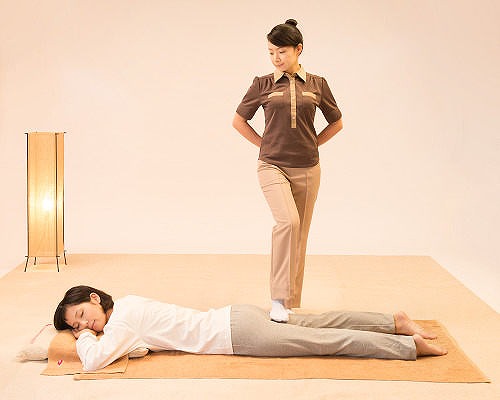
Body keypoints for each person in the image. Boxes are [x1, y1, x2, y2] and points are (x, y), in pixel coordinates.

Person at [54, 285, 447, 372]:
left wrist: (84, 337)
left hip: (240, 336)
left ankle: (409, 346)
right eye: (78, 324)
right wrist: (91, 330)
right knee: (318, 321)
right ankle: (393, 321)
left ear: (94, 298)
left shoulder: (119, 324)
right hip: (236, 314)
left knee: (323, 340)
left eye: (83, 315)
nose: (86, 324)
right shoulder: (129, 302)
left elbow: (93, 361)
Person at [232, 19, 344, 322]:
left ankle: (290, 302)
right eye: (271, 52)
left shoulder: (318, 84)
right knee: (288, 223)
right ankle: (278, 299)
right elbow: (239, 121)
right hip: (272, 166)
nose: (276, 58)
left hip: (308, 169)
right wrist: (264, 145)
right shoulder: (262, 84)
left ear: (298, 49)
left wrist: (314, 144)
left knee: (300, 234)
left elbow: (336, 121)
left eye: (281, 52)